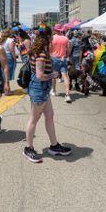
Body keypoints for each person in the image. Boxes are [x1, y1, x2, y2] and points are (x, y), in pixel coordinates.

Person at [23, 26, 72, 163]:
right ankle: (28, 148)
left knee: (49, 116)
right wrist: (53, 74)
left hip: (42, 88)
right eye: (51, 36)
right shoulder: (41, 54)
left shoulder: (39, 50)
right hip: (39, 87)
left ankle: (54, 146)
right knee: (33, 119)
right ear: (48, 37)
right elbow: (39, 75)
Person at [50, 25, 72, 103]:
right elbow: (69, 50)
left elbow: (50, 49)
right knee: (65, 76)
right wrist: (66, 56)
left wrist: (51, 55)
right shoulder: (66, 38)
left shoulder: (52, 38)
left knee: (54, 75)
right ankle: (67, 95)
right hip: (63, 58)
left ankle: (54, 90)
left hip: (54, 58)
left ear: (55, 30)